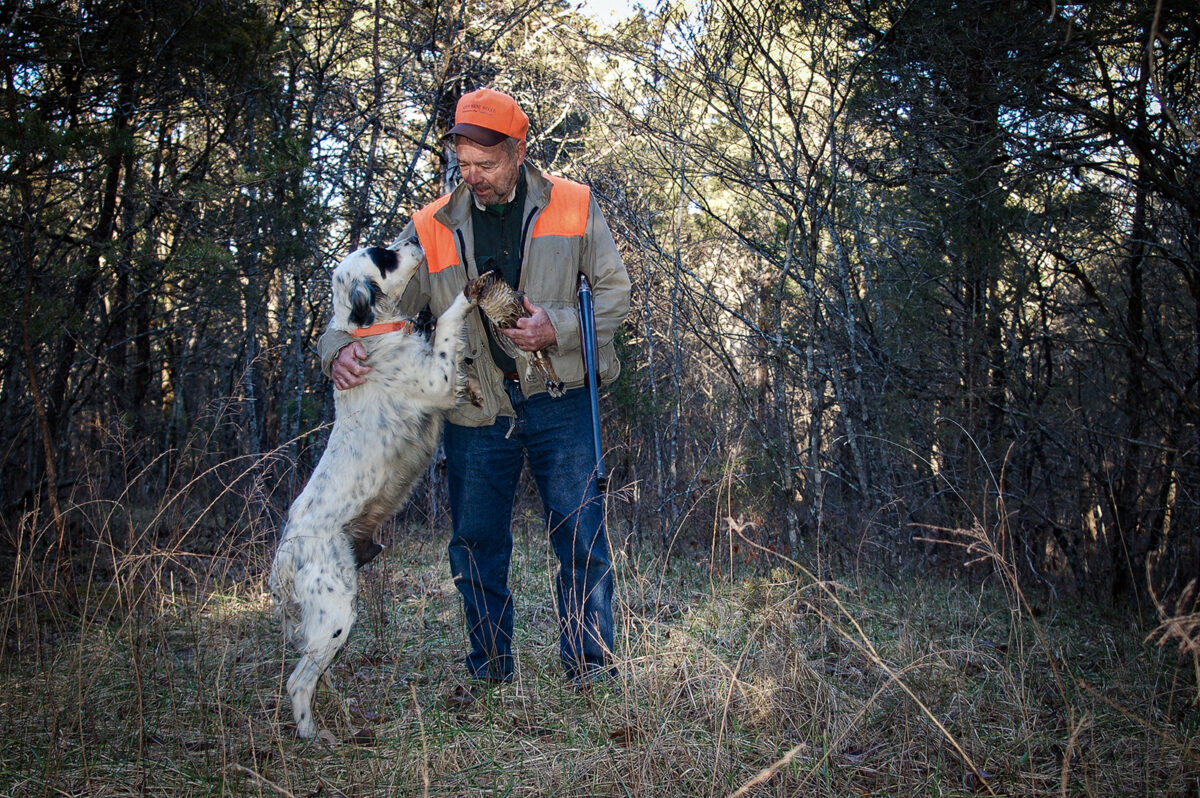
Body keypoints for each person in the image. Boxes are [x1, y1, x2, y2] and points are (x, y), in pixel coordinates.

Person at [318, 88, 631, 694]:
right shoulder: (430, 225)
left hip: (562, 400)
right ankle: (490, 670)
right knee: (475, 545)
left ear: (518, 150)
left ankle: (591, 669)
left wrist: (558, 327)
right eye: (463, 164)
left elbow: (614, 296)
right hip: (474, 411)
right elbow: (378, 304)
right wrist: (337, 348)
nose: (473, 176)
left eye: (486, 165)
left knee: (581, 536)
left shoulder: (574, 204)